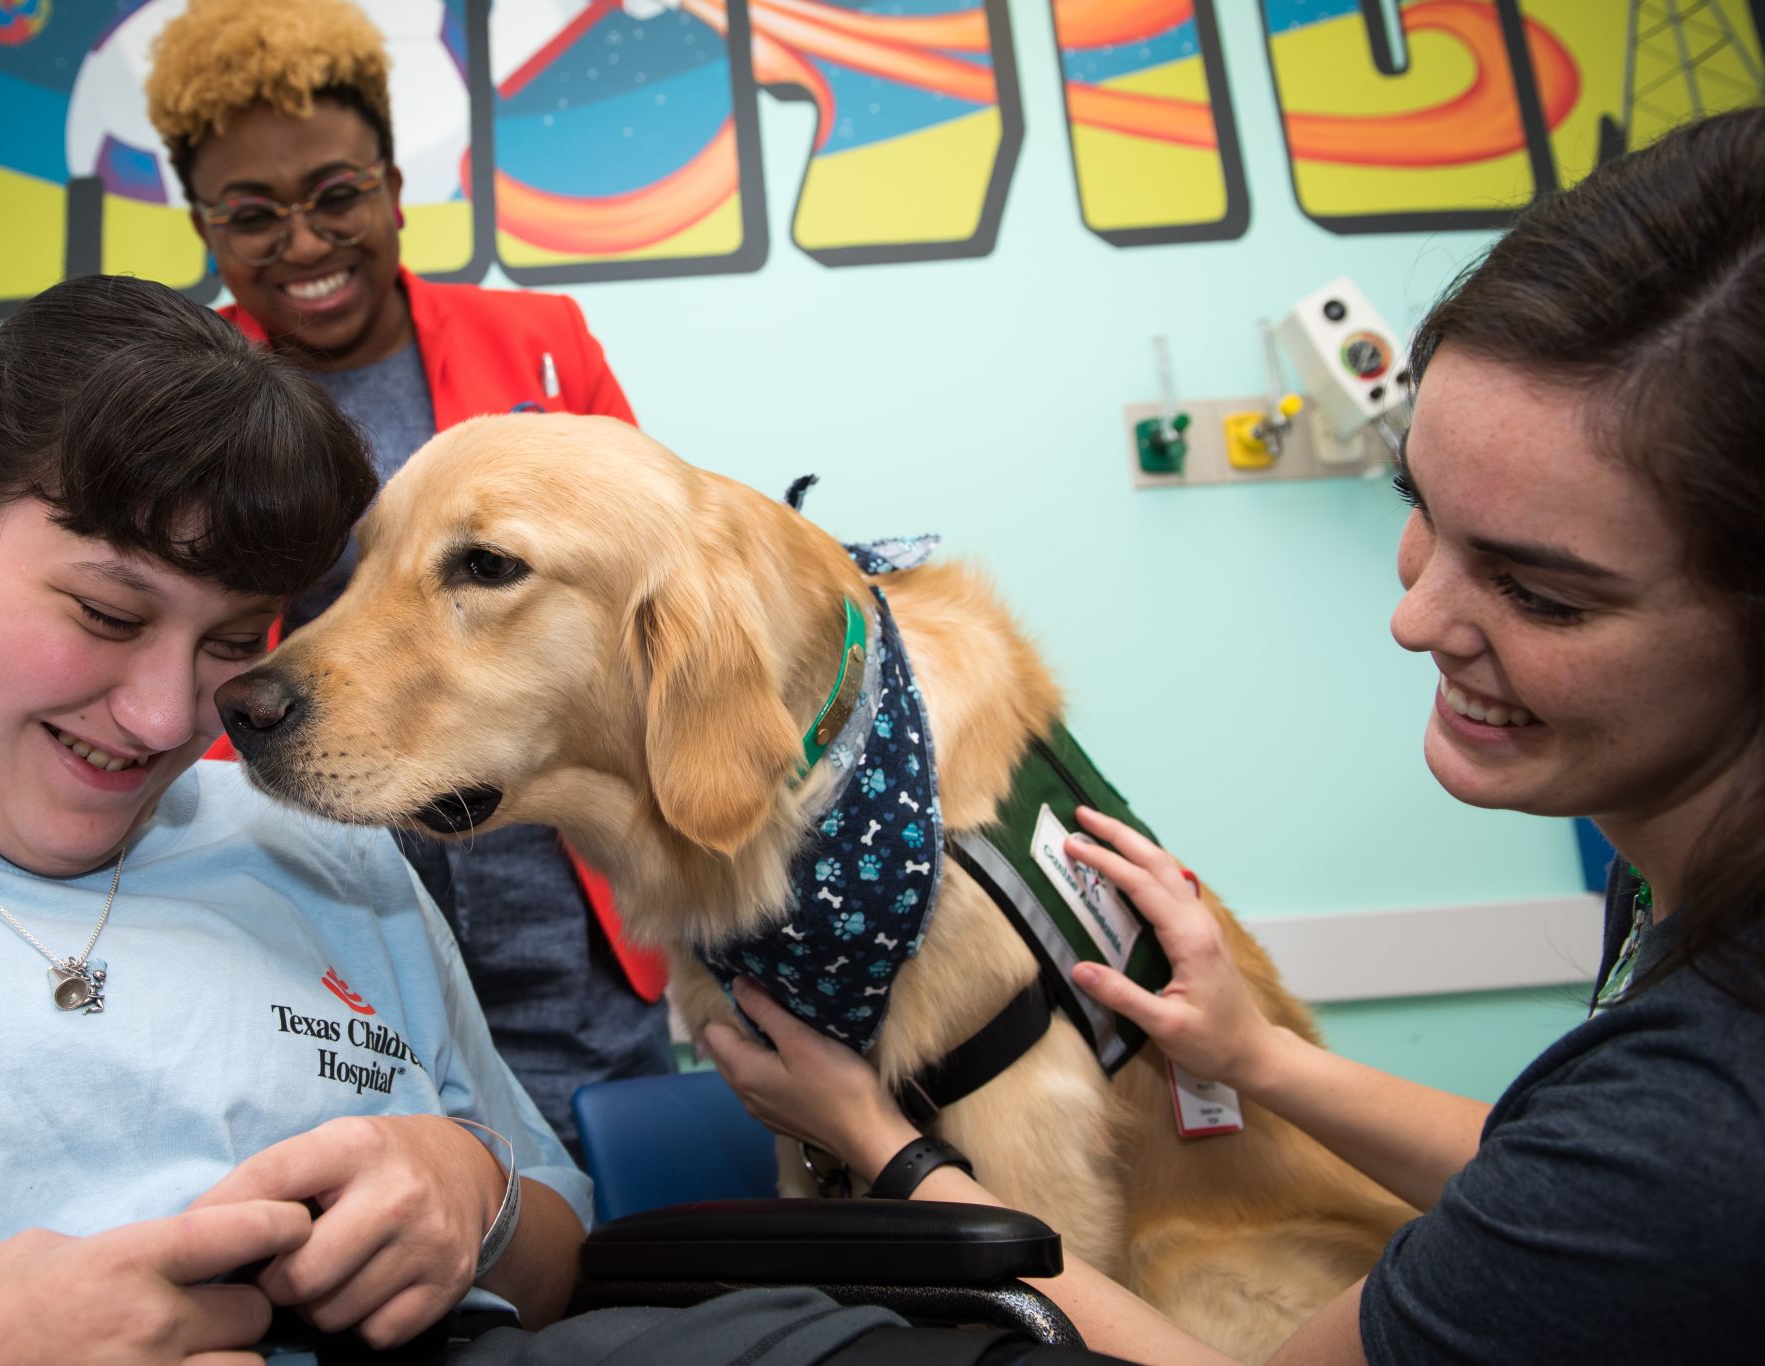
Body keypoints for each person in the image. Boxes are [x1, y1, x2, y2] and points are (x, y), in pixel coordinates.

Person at [705, 106, 1765, 1364]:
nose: (1412, 618)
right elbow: (1556, 1174)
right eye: (1414, 504)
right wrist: (1251, 1054)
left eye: (1539, 593)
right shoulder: (1676, 906)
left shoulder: (1703, 1112)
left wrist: (887, 1149)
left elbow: (1631, 1179)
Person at [0, 275, 591, 1361]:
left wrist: (475, 1192)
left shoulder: (328, 857)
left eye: (232, 641)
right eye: (105, 614)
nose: (167, 714)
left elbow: (561, 1258)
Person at [144, 0, 673, 1158]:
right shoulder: (186, 394)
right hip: (319, 897)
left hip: (561, 910)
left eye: (335, 195)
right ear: (206, 227)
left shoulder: (540, 343)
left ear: (390, 186)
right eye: (251, 215)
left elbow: (644, 592)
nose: (302, 243)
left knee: (617, 1218)